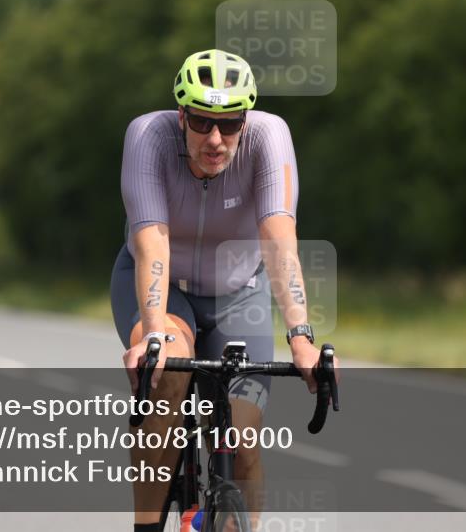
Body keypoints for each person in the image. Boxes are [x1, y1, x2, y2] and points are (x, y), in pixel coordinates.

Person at [112, 49, 336, 531]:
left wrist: (301, 337)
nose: (216, 139)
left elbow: (279, 242)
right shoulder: (148, 136)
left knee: (242, 437)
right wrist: (153, 335)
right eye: (201, 123)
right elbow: (152, 244)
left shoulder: (269, 137)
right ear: (181, 116)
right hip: (163, 289)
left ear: (246, 119)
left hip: (239, 292)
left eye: (230, 124)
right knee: (168, 377)